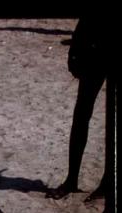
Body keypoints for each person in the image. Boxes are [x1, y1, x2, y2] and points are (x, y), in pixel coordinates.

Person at [45, 17, 109, 201]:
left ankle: (107, 182)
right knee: (81, 115)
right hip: (94, 51)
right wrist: (74, 52)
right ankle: (72, 180)